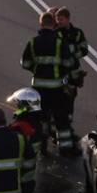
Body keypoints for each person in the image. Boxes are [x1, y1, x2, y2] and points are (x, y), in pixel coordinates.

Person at [19, 11, 77, 154]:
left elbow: (25, 63)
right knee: (61, 119)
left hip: (38, 89)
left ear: (41, 24)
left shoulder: (33, 42)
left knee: (39, 119)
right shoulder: (59, 43)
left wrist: (36, 69)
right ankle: (66, 149)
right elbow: (69, 63)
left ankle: (41, 148)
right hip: (57, 88)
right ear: (54, 25)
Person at [7, 88, 43, 193]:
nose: (15, 108)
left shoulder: (21, 128)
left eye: (17, 105)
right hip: (28, 179)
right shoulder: (36, 125)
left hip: (17, 180)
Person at [53, 7, 89, 129]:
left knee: (70, 101)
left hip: (73, 76)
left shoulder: (77, 33)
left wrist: (72, 55)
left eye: (61, 19)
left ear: (68, 19)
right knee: (59, 101)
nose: (59, 22)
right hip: (59, 74)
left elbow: (84, 49)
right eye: (57, 19)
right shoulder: (55, 33)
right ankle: (57, 126)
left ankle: (67, 125)